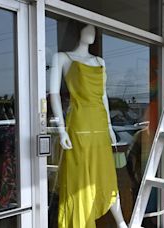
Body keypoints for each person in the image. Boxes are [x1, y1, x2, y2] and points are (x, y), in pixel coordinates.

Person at [50, 23, 127, 228]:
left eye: (94, 30)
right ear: (77, 31)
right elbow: (54, 94)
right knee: (80, 180)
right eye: (87, 29)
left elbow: (103, 95)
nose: (92, 33)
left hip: (100, 127)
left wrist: (110, 126)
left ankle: (121, 223)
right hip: (79, 127)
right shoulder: (62, 58)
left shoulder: (100, 61)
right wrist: (61, 128)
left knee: (106, 175)